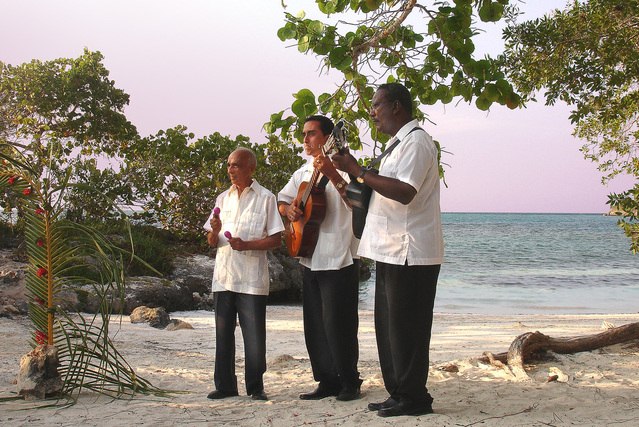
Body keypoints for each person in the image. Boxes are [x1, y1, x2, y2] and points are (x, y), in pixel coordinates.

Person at [332, 83, 444, 417]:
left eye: (377, 105)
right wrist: (357, 177)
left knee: (408, 327)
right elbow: (377, 188)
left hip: (411, 250)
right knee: (389, 327)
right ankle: (399, 392)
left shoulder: (418, 142)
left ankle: (415, 398)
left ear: (396, 106)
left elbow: (405, 192)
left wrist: (359, 172)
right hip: (390, 249)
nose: (372, 112)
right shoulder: (395, 146)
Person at [278, 115, 363, 402]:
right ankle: (326, 380)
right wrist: (288, 211)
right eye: (303, 135)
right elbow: (283, 198)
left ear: (329, 138)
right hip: (309, 255)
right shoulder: (302, 170)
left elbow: (358, 204)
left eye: (311, 134)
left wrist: (334, 174)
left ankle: (350, 382)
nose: (305, 140)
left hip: (339, 257)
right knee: (314, 325)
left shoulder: (348, 164)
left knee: (340, 324)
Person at [203, 147, 284, 402]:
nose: (230, 170)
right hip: (224, 276)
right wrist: (214, 231)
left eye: (236, 165)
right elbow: (210, 241)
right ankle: (225, 385)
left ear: (251, 168)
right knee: (223, 333)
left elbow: (276, 240)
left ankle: (255, 386)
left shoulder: (266, 197)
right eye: (229, 165)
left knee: (254, 335)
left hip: (251, 278)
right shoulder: (222, 198)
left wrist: (247, 244)